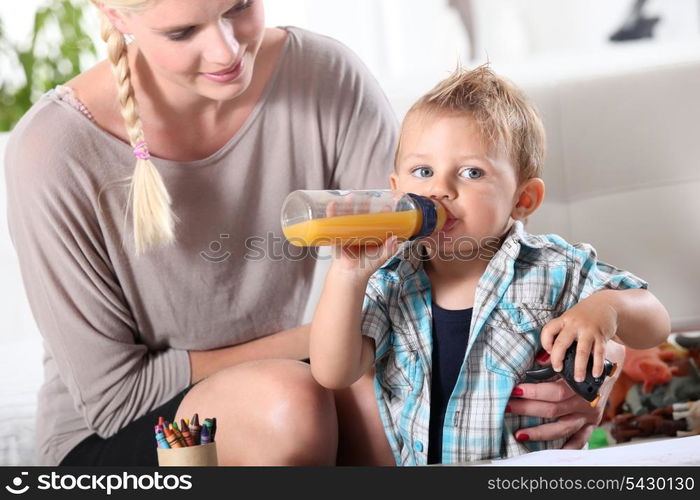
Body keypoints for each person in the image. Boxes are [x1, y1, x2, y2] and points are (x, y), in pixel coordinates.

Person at [5, 0, 621, 466]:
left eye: (239, 5)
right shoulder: (52, 151)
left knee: (391, 392)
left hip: (294, 385)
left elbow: (441, 267)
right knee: (295, 398)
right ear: (112, 13)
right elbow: (118, 396)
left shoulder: (327, 78)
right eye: (182, 31)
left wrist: (582, 359)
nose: (225, 52)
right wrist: (334, 329)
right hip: (119, 441)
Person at [308, 65, 671, 465]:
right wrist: (347, 274)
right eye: (423, 171)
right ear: (395, 191)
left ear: (523, 199)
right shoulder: (389, 280)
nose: (440, 189)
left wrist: (607, 308)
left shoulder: (552, 267)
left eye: (471, 172)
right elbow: (333, 372)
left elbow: (655, 322)